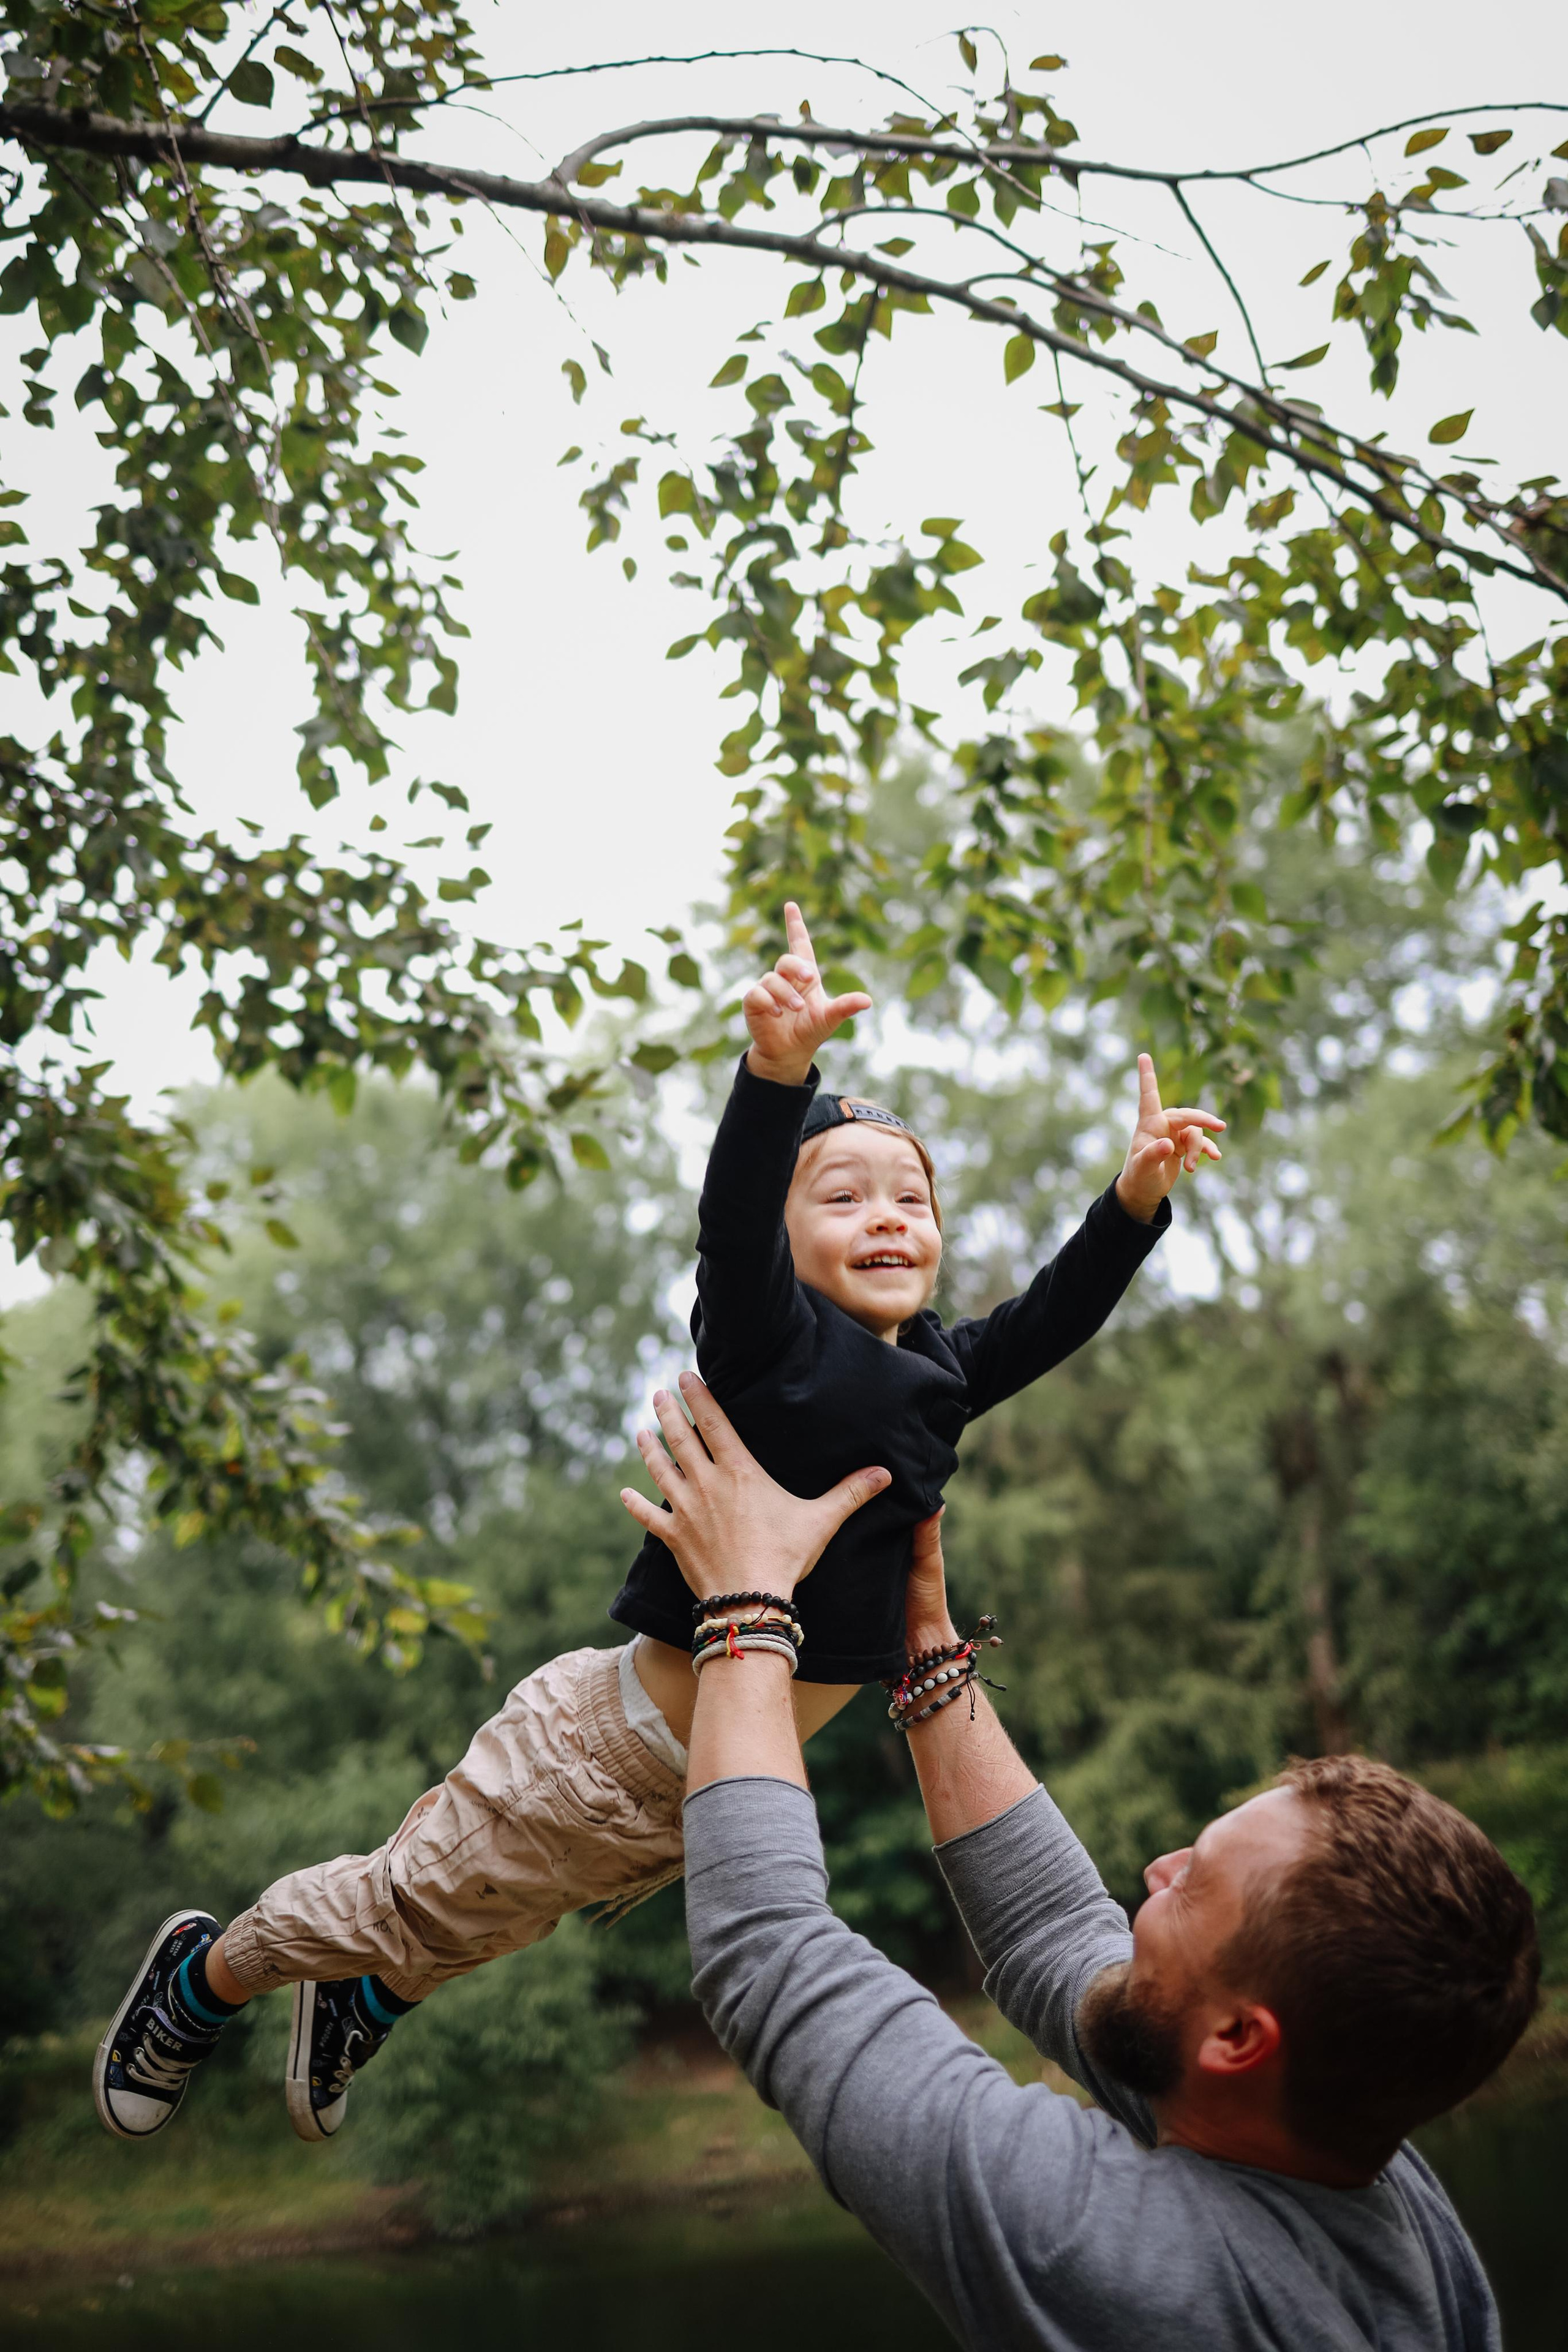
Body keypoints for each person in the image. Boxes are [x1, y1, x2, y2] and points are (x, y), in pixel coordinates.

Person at [94, 905, 1223, 2147]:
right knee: (404, 1899)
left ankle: (362, 1996)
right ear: (788, 1249)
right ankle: (206, 1975)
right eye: (843, 1196)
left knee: (498, 1917)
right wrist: (775, 1074)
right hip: (604, 1748)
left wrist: (1131, 1200)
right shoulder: (765, 1345)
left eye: (912, 1198)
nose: (888, 1216)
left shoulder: (941, 1377)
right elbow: (731, 1226)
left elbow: (1052, 1315)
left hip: (701, 1799)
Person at [629, 1372, 1539, 2352]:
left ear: (1238, 2039)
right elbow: (1050, 1931)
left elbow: (768, 1952)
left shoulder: (1126, 2263)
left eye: (1194, 1885)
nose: (1156, 1868)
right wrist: (928, 1650)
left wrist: (745, 1608)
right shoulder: (1362, 2167)